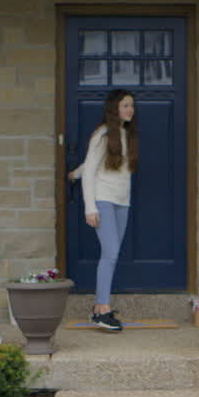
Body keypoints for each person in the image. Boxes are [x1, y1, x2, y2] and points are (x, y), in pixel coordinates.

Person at [67, 89, 139, 331]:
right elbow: (91, 171)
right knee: (110, 253)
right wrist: (90, 207)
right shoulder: (103, 133)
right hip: (103, 200)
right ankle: (101, 309)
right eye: (125, 105)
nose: (130, 109)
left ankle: (99, 308)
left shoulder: (125, 134)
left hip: (122, 201)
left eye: (131, 105)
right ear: (114, 109)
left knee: (113, 253)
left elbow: (89, 164)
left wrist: (73, 174)